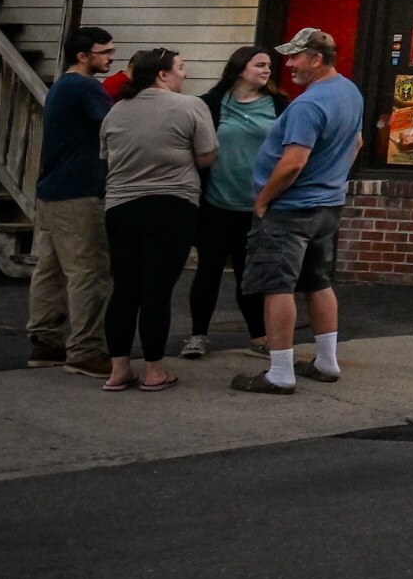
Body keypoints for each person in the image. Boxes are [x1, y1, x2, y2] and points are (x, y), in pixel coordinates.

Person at [231, 27, 365, 395]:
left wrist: (262, 200)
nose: (287, 64)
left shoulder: (308, 104)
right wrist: (334, 179)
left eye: (295, 57)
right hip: (327, 205)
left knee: (277, 286)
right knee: (317, 280)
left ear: (317, 59)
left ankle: (279, 373)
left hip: (291, 208)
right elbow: (356, 142)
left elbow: (293, 163)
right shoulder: (349, 91)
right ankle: (326, 361)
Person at [97, 47, 214, 391]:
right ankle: (153, 371)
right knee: (156, 291)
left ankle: (118, 369)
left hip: (120, 207)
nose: (185, 74)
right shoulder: (191, 106)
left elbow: (106, 156)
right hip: (172, 205)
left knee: (124, 288)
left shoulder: (116, 111)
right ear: (162, 74)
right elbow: (206, 157)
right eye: (180, 68)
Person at [28, 25, 117, 375]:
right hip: (80, 191)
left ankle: (46, 340)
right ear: (83, 56)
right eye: (104, 51)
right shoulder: (85, 87)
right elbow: (115, 126)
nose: (110, 57)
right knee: (89, 270)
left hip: (52, 189)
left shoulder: (61, 86)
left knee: (50, 269)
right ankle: (85, 350)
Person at [185, 44, 280, 359]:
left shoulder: (279, 105)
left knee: (249, 275)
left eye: (268, 66)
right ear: (240, 68)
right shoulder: (211, 104)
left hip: (258, 205)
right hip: (215, 203)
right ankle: (197, 336)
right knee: (208, 272)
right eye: (260, 65)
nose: (267, 71)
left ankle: (258, 336)